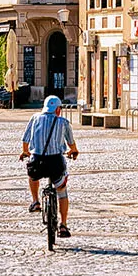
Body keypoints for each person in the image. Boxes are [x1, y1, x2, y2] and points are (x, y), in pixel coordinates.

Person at [20, 95, 79, 239]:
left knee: (32, 174)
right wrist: (74, 151)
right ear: (58, 109)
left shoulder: (34, 118)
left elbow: (25, 139)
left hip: (38, 160)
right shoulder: (63, 122)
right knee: (62, 191)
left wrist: (25, 151)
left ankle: (35, 202)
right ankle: (63, 225)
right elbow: (71, 143)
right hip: (56, 162)